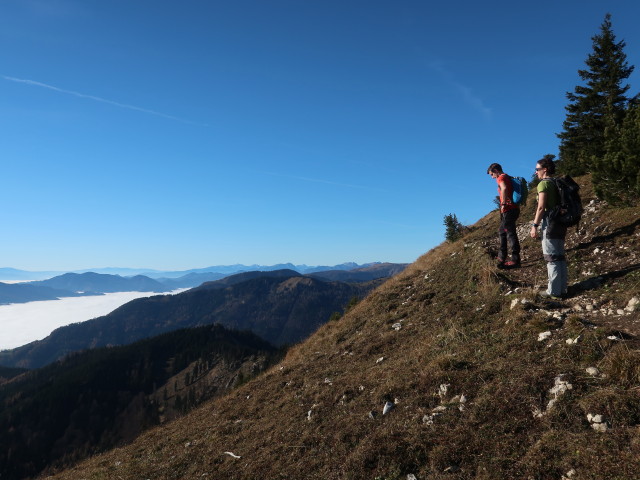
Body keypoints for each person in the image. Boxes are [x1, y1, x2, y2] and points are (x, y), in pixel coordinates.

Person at [529, 157, 568, 298]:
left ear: (544, 170)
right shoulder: (556, 183)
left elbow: (541, 207)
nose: (536, 173)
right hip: (561, 222)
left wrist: (534, 226)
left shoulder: (543, 185)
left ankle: (554, 291)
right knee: (560, 256)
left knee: (552, 258)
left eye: (537, 169)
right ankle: (562, 289)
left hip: (550, 223)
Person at [487, 163, 521, 268]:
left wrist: (503, 203)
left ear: (496, 171)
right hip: (513, 208)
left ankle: (515, 260)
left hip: (508, 209)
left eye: (492, 174)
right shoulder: (507, 176)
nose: (492, 177)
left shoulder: (501, 177)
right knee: (502, 231)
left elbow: (504, 188)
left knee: (510, 233)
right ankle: (502, 256)